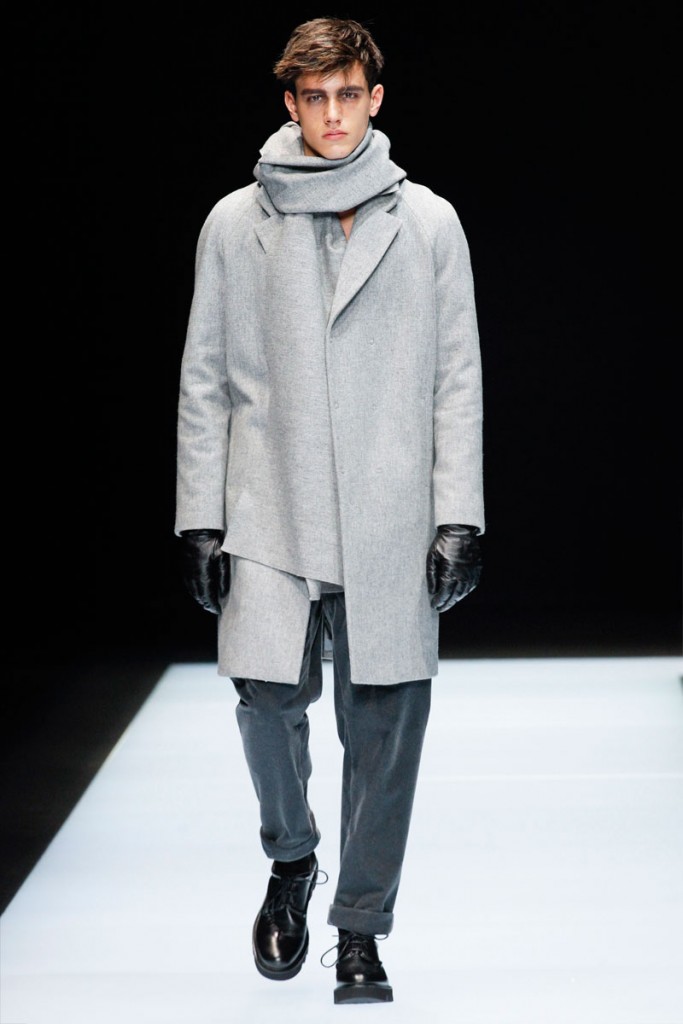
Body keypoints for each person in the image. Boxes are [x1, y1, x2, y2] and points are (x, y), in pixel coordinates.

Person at [175, 16, 484, 1005]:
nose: (333, 115)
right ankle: (292, 856)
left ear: (374, 99)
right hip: (269, 499)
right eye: (315, 98)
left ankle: (359, 927)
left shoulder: (426, 223)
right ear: (290, 104)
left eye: (348, 95)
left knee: (386, 723)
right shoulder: (236, 223)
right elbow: (205, 377)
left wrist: (457, 515)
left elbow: (455, 378)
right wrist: (199, 516)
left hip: (389, 506)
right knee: (265, 700)